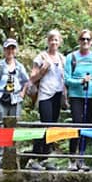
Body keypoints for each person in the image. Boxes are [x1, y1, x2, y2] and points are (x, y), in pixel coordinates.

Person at [28, 29, 65, 171]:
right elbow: (32, 78)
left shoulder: (63, 58)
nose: (54, 42)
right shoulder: (41, 57)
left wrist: (64, 96)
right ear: (47, 41)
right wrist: (43, 71)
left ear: (60, 42)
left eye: (56, 40)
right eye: (51, 40)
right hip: (45, 95)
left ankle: (46, 158)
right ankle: (35, 157)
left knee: (53, 127)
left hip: (57, 95)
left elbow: (63, 79)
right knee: (45, 124)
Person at [0, 38, 29, 170]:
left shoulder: (19, 66)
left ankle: (11, 159)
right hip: (1, 99)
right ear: (4, 50)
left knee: (13, 130)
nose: (10, 51)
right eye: (8, 48)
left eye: (13, 48)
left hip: (15, 100)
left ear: (15, 50)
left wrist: (22, 93)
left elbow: (26, 81)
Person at [64, 29, 92, 171]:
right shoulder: (71, 57)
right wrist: (80, 81)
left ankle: (82, 159)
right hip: (76, 96)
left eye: (88, 39)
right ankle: (72, 159)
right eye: (83, 39)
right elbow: (67, 79)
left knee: (87, 127)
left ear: (91, 42)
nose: (85, 42)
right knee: (76, 125)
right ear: (79, 41)